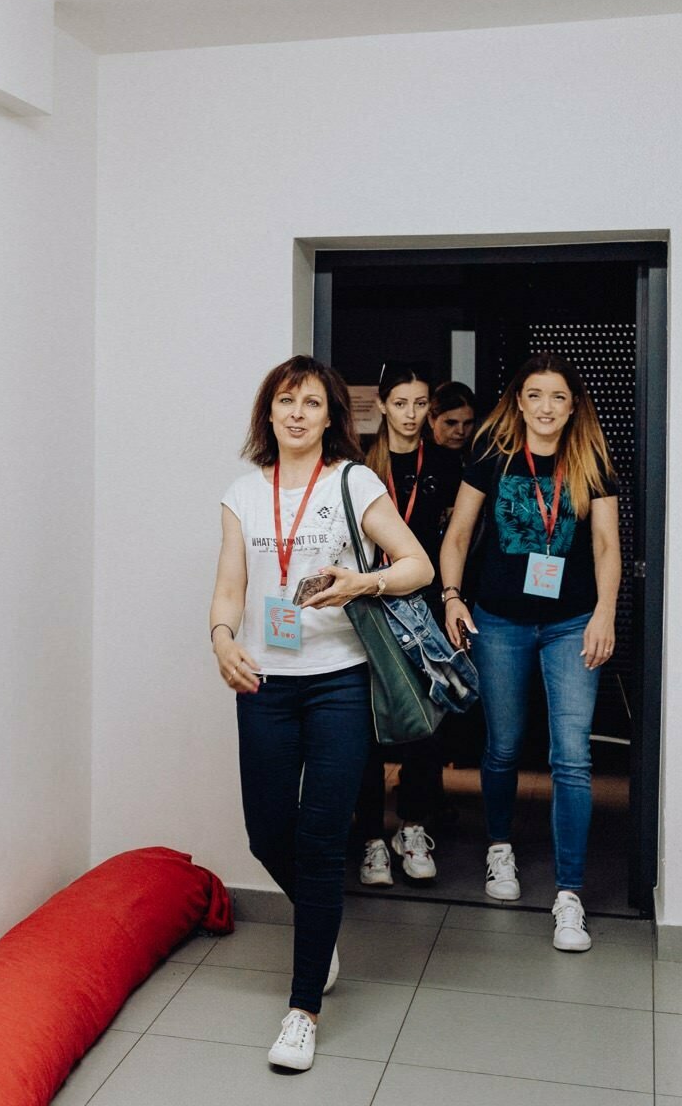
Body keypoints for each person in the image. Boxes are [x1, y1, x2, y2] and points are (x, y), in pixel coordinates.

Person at [209, 356, 434, 1070]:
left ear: (332, 415)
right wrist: (220, 641)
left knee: (320, 839)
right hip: (264, 682)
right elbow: (229, 589)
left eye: (312, 402)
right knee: (265, 829)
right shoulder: (243, 494)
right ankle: (320, 925)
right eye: (286, 401)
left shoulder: (353, 481)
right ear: (268, 413)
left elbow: (418, 565)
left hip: (340, 680)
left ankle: (302, 1008)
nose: (298, 413)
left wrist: (361, 581)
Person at [438, 355, 621, 953]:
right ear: (519, 402)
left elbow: (605, 547)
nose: (546, 407)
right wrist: (452, 597)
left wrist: (604, 614)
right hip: (499, 620)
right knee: (502, 745)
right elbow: (459, 535)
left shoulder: (592, 464)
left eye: (558, 397)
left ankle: (569, 896)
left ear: (573, 407)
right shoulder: (492, 458)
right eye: (535, 395)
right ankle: (500, 849)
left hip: (571, 624)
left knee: (571, 756)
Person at [353, 365, 466, 888]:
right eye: (401, 404)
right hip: (370, 603)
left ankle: (414, 827)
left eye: (421, 404)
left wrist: (451, 598)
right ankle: (373, 837)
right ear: (381, 405)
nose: (411, 415)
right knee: (369, 724)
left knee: (427, 720)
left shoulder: (447, 461)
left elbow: (459, 537)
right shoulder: (356, 465)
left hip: (421, 605)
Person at [428, 380, 479, 457]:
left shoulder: (480, 458)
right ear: (431, 420)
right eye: (451, 423)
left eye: (467, 423)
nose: (461, 431)